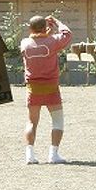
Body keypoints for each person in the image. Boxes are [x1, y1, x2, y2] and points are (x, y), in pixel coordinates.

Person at [20, 14, 72, 164]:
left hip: (33, 88)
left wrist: (43, 33)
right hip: (51, 87)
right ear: (45, 27)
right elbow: (67, 34)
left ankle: (30, 154)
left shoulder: (24, 43)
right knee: (57, 121)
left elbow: (36, 41)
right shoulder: (53, 41)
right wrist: (56, 21)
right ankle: (53, 154)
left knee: (31, 122)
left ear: (30, 28)